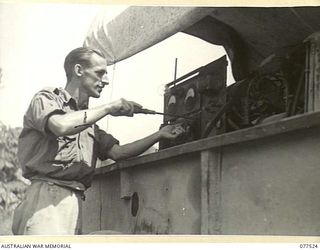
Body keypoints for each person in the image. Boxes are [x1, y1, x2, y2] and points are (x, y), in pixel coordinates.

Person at [12, 47, 185, 235]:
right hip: (45, 201)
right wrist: (109, 107)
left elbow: (119, 153)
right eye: (100, 73)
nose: (106, 80)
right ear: (78, 71)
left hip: (76, 201)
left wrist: (159, 135)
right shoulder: (46, 98)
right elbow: (60, 125)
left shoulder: (89, 125)